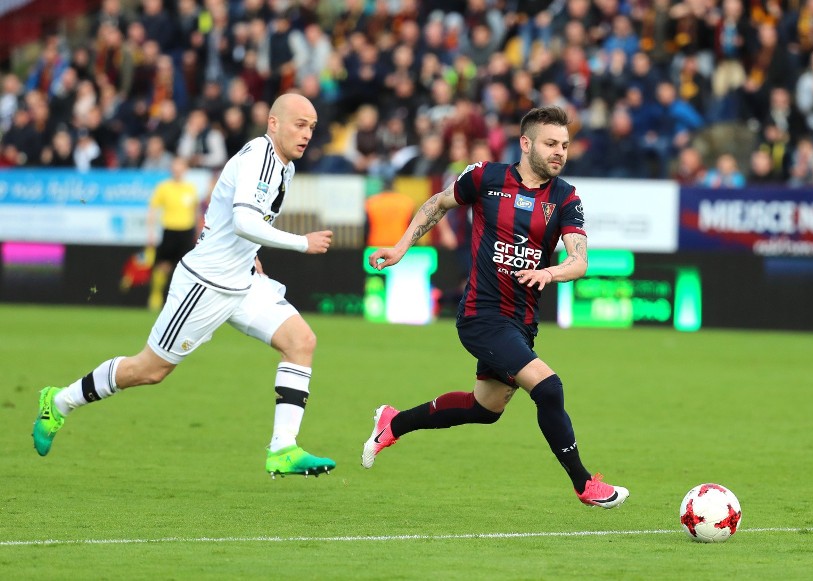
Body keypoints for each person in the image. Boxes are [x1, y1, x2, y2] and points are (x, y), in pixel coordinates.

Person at [33, 93, 337, 478]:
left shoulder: (282, 165)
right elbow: (244, 220)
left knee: (301, 342)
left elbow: (232, 216)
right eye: (300, 124)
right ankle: (59, 402)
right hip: (205, 285)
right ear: (273, 123)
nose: (307, 133)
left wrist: (250, 251)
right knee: (149, 369)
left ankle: (282, 449)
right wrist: (301, 242)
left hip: (242, 281)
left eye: (312, 126)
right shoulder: (259, 157)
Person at [361, 106, 629, 509]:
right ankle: (584, 483)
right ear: (526, 143)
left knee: (485, 408)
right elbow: (437, 203)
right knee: (549, 388)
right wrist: (401, 248)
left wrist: (551, 274)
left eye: (565, 145)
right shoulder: (485, 177)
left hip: (521, 323)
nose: (560, 152)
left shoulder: (565, 198)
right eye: (551, 144)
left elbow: (580, 260)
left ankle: (393, 423)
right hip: (481, 316)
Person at [146, 156, 200, 311]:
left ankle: (183, 299)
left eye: (180, 166)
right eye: (174, 166)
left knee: (186, 266)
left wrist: (197, 232)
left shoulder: (190, 188)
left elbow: (196, 212)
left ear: (185, 169)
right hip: (170, 229)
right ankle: (155, 296)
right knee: (163, 264)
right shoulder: (164, 187)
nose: (177, 170)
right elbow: (153, 209)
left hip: (187, 230)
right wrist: (150, 232)